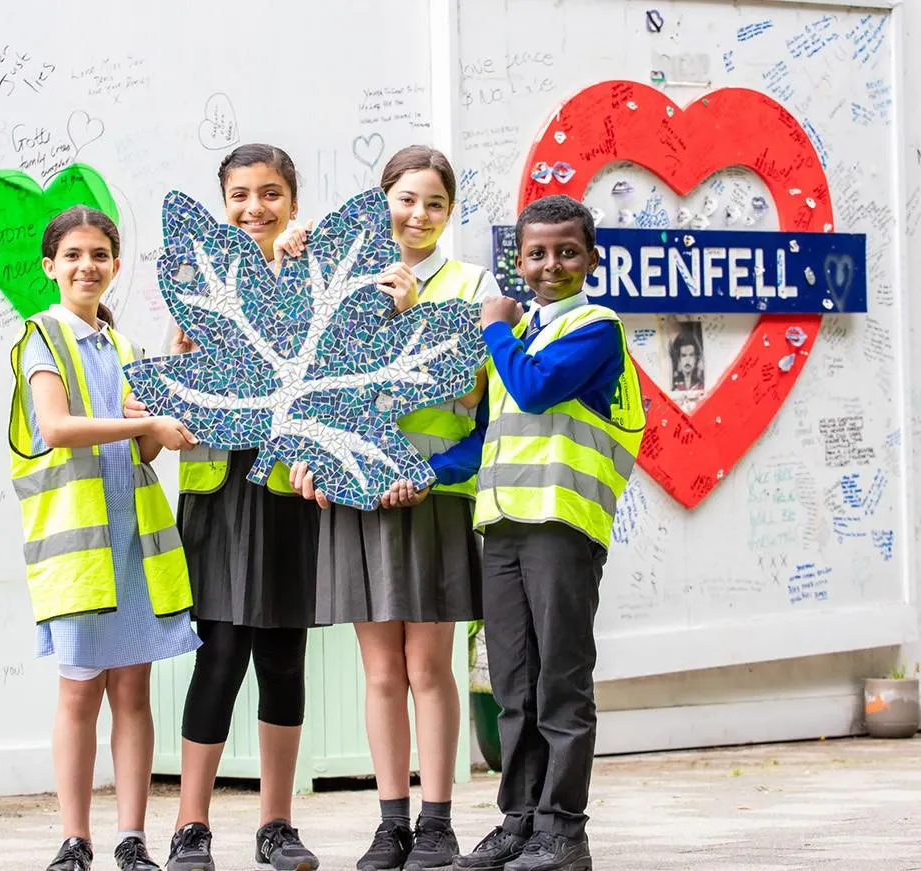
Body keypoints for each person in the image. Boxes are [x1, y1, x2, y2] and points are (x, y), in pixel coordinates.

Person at [155, 143, 411, 871]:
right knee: (222, 654)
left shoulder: (311, 278)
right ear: (222, 203)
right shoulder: (196, 289)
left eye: (270, 194)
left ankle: (276, 824)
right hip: (220, 497)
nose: (254, 209)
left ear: (293, 203)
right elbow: (172, 393)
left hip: (292, 494)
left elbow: (360, 348)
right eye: (239, 196)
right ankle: (190, 827)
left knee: (283, 658)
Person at [287, 145, 497, 871]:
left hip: (432, 495)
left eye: (435, 203)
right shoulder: (344, 278)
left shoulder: (472, 285)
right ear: (383, 201)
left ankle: (437, 822)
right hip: (357, 493)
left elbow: (472, 400)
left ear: (450, 211)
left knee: (429, 664)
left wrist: (415, 319)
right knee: (380, 670)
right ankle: (391, 822)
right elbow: (310, 382)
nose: (419, 215)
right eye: (406, 199)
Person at [7, 205, 204, 871]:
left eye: (99, 254)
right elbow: (57, 428)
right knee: (78, 692)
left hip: (130, 546)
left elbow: (142, 451)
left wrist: (165, 418)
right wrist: (132, 425)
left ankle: (130, 839)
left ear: (115, 266)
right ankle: (73, 838)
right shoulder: (42, 337)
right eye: (73, 255)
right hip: (78, 552)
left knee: (131, 693)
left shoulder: (121, 348)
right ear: (50, 266)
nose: (87, 266)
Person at [453, 195, 645, 871]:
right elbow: (489, 437)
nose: (551, 264)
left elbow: (535, 390)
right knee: (514, 682)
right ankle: (519, 818)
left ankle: (563, 829)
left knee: (561, 679)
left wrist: (496, 330)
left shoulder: (596, 329)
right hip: (503, 526)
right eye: (537, 252)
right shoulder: (519, 338)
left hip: (561, 527)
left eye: (567, 251)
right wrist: (416, 472)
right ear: (520, 259)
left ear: (591, 259)